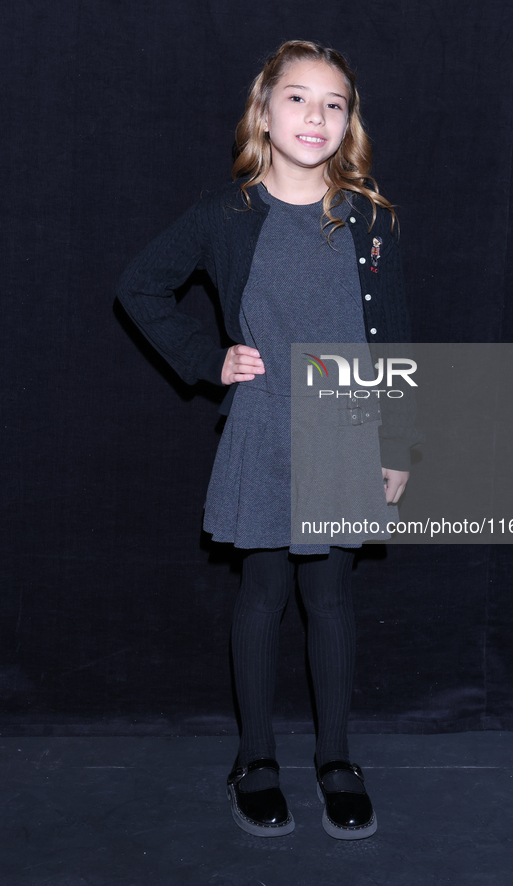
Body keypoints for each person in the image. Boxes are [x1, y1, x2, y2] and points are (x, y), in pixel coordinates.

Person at [117, 39, 420, 840]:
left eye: (334, 103)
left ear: (349, 121)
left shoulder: (371, 218)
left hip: (345, 428)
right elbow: (140, 285)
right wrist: (207, 358)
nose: (315, 115)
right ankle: (254, 758)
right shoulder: (226, 213)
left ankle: (334, 758)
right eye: (297, 98)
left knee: (330, 597)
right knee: (263, 593)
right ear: (263, 111)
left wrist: (399, 443)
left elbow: (397, 338)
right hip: (263, 424)